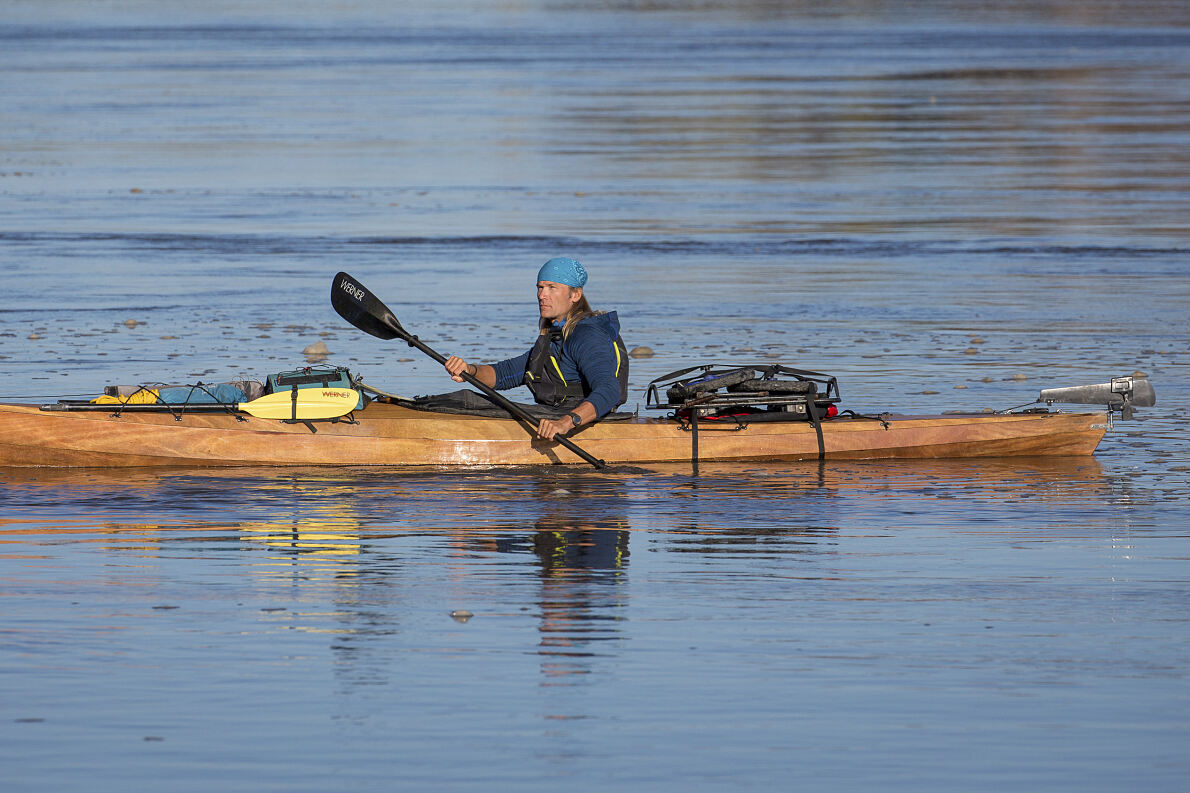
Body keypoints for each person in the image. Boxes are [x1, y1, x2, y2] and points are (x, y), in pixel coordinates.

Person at [443, 257, 628, 441]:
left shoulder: (587, 336)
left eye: (551, 287)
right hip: (555, 416)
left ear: (575, 295)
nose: (542, 295)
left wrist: (564, 423)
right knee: (465, 400)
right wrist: (470, 371)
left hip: (582, 427)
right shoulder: (554, 338)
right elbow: (504, 374)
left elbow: (609, 391)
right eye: (540, 287)